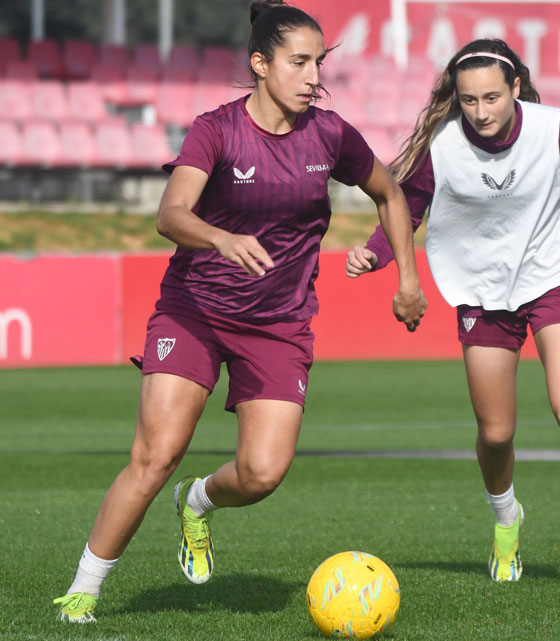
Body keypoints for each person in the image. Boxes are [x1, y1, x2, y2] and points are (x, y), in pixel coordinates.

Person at [54, 0, 427, 623]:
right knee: (155, 455)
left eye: (320, 62)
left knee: (261, 474)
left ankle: (197, 503)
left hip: (279, 325)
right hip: (194, 311)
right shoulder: (216, 129)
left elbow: (391, 193)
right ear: (260, 63)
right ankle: (84, 591)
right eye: (299, 62)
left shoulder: (331, 134)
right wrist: (219, 238)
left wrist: (408, 279)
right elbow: (169, 214)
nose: (314, 76)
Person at [347, 38, 560, 591]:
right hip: (479, 287)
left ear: (516, 87)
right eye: (469, 100)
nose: (481, 111)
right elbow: (406, 205)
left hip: (553, 277)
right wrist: (376, 252)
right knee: (496, 434)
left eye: (492, 97)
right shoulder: (443, 144)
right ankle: (506, 524)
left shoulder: (557, 130)